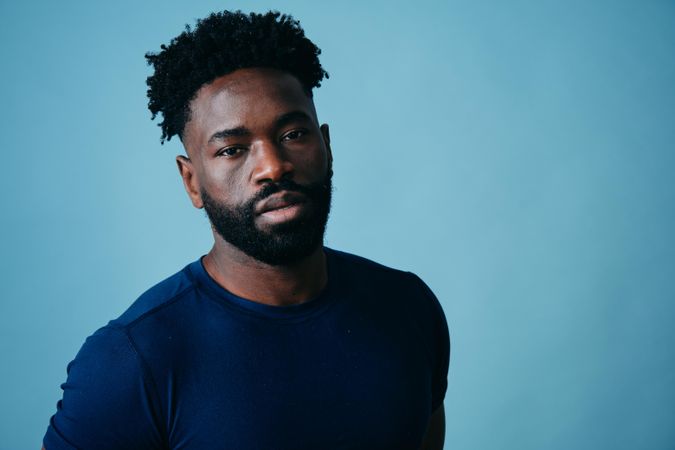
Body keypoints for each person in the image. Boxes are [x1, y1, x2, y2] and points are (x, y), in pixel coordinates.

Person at [43, 10, 450, 450]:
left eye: (293, 134)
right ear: (191, 180)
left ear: (326, 146)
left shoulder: (408, 307)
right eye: (233, 149)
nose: (273, 166)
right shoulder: (130, 362)